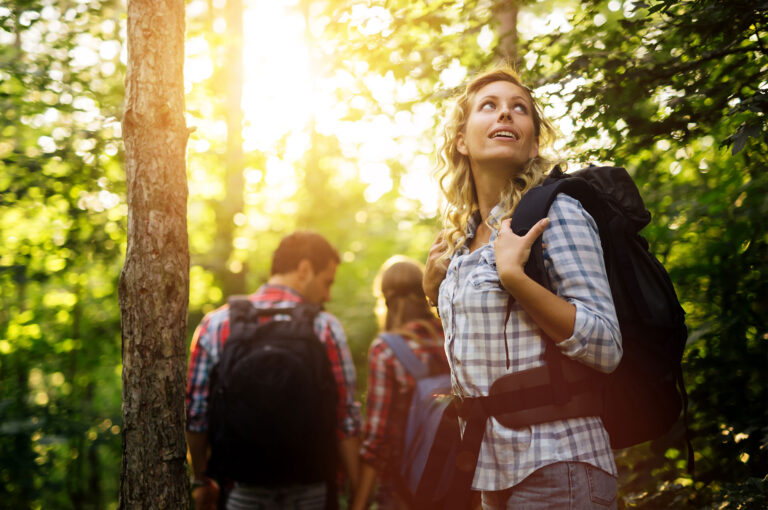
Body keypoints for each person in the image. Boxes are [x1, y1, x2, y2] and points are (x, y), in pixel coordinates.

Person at [422, 68, 623, 509]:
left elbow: (605, 344)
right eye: (489, 105)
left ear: (532, 141)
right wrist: (431, 291)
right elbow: (488, 345)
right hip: (491, 470)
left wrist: (515, 277)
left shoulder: (556, 213)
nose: (506, 113)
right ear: (460, 140)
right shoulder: (460, 241)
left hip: (561, 462)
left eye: (520, 108)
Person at [186, 231, 362, 510]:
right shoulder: (325, 327)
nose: (327, 295)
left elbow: (195, 416)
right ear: (304, 269)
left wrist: (201, 480)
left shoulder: (215, 324)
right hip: (311, 490)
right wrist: (357, 489)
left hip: (240, 490)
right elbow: (346, 418)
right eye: (327, 282)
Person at [351, 257, 448, 510]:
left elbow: (377, 439)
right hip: (459, 480)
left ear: (386, 298)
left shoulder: (387, 349)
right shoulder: (451, 335)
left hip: (405, 488)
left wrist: (359, 503)